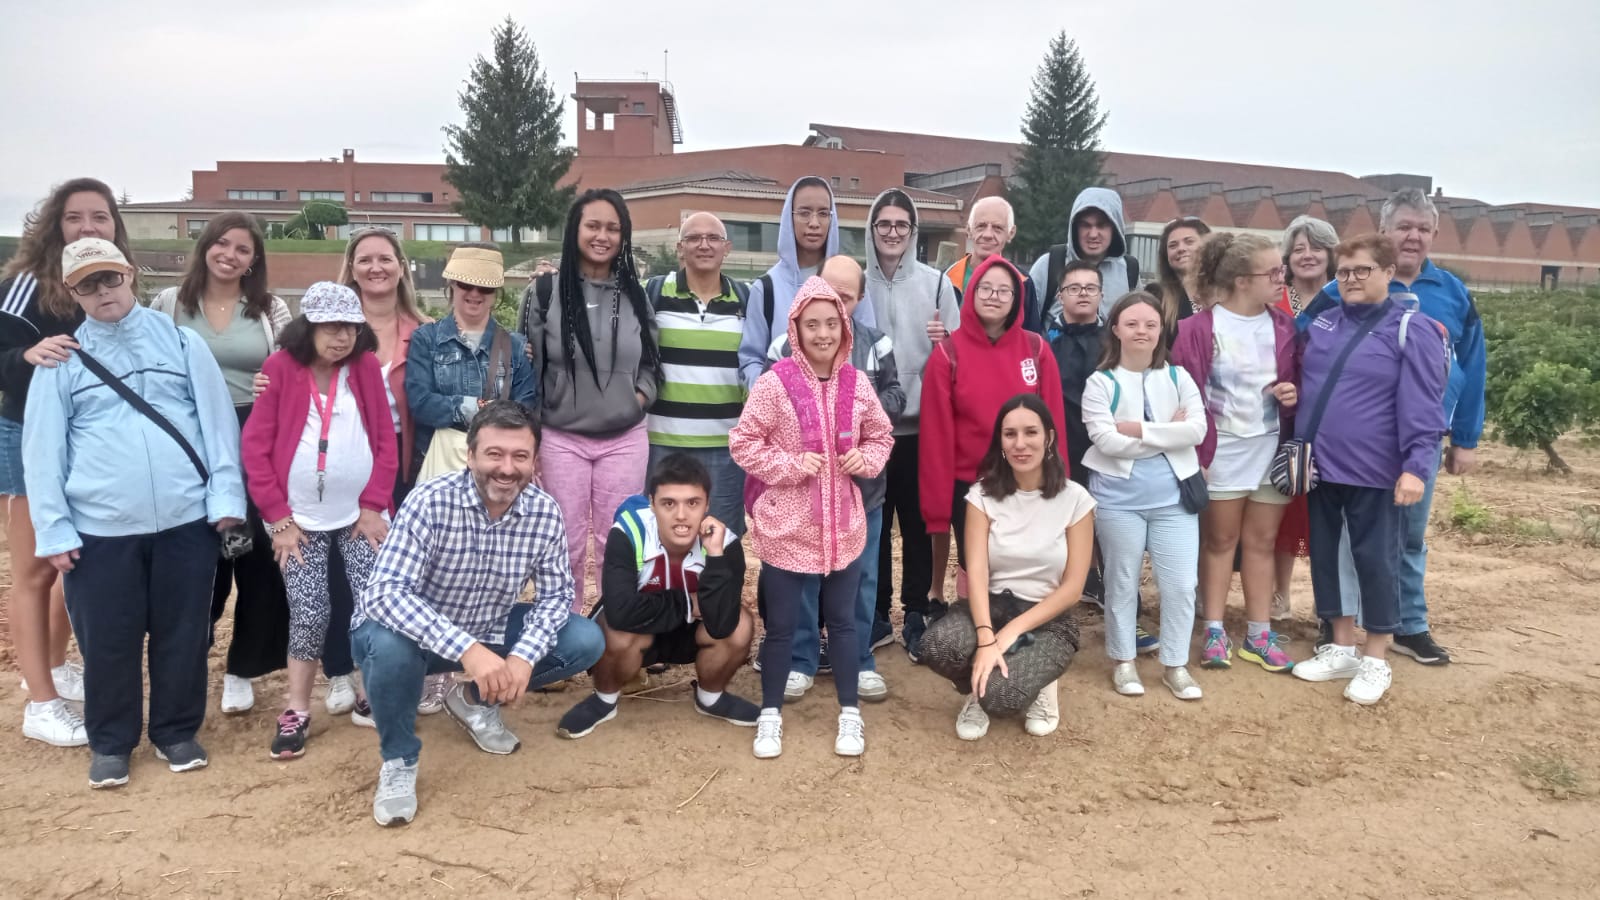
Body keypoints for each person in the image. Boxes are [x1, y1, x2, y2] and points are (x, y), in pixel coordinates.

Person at [25, 238, 246, 789]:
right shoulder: (62, 359)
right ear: (72, 292)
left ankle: (175, 731)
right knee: (108, 639)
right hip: (100, 528)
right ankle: (111, 739)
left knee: (184, 632)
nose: (103, 293)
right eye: (87, 285)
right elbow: (42, 451)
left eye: (110, 279)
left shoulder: (181, 342)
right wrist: (53, 529)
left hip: (185, 520)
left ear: (129, 275)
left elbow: (217, 426)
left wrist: (224, 502)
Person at [349, 401, 605, 826]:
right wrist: (468, 650)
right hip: (410, 636)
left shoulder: (544, 513)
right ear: (470, 456)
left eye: (520, 456)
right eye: (494, 454)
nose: (507, 468)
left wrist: (523, 656)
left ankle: (470, 700)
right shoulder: (429, 501)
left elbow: (557, 597)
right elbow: (384, 594)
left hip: (486, 627)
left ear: (534, 462)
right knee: (387, 648)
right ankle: (399, 759)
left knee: (583, 640)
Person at [1299, 190, 1484, 665]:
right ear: (1385, 233)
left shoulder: (1452, 292)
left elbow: (1472, 364)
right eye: (1404, 226)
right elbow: (1300, 347)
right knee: (1346, 538)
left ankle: (1409, 625)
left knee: (1405, 538)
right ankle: (1338, 628)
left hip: (1415, 439)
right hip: (1349, 444)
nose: (1413, 236)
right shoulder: (1338, 293)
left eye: (1423, 228)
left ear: (1434, 235)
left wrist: (1464, 437)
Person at [729, 277, 895, 760]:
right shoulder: (774, 383)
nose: (822, 333)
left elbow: (881, 436)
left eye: (830, 323)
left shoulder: (858, 383)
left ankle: (849, 713)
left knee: (844, 624)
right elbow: (743, 442)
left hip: (845, 526)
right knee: (781, 627)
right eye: (811, 324)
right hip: (787, 527)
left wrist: (866, 460)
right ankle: (770, 715)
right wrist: (787, 467)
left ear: (844, 326)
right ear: (795, 329)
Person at [0, 179, 131, 746]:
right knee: (32, 570)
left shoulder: (110, 281)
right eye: (75, 217)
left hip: (86, 441)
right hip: (27, 435)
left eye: (99, 217)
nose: (87, 227)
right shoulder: (23, 285)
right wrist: (24, 355)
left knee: (67, 564)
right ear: (55, 225)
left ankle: (54, 667)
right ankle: (41, 703)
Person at [241, 282, 397, 758]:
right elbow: (256, 449)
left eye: (349, 327)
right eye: (330, 327)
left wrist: (374, 504)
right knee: (310, 612)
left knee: (372, 603)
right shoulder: (280, 369)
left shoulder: (365, 368)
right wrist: (278, 518)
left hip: (360, 516)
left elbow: (386, 442)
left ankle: (370, 697)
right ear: (307, 328)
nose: (341, 337)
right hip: (298, 520)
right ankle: (296, 709)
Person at [1290, 234, 1446, 704]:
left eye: (1361, 270)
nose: (1351, 279)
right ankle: (1341, 647)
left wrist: (1416, 467)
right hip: (1322, 467)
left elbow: (1424, 406)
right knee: (1327, 557)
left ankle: (1376, 659)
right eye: (1343, 272)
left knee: (1376, 562)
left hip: (1378, 470)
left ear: (1387, 273)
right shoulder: (1323, 323)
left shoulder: (1411, 329)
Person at [151, 213, 293, 717]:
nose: (230, 255)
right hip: (189, 439)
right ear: (205, 246)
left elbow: (294, 366)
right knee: (198, 555)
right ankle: (191, 654)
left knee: (255, 556)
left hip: (255, 435)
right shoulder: (168, 304)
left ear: (254, 260)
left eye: (243, 249)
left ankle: (242, 668)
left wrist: (273, 382)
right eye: (222, 244)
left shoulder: (269, 309)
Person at [765, 256, 904, 703]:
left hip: (862, 491)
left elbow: (896, 394)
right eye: (828, 289)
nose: (833, 307)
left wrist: (860, 415)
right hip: (801, 496)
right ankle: (802, 660)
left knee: (861, 579)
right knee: (802, 578)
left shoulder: (875, 344)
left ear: (857, 300)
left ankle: (860, 659)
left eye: (845, 295)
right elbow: (765, 413)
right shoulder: (784, 350)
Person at [919, 393, 1093, 739]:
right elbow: (978, 574)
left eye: (1031, 433)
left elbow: (1073, 589)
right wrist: (986, 638)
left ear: (1049, 438)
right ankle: (977, 687)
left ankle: (1040, 686)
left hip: (1046, 619)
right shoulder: (981, 497)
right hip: (992, 606)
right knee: (937, 647)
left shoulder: (1075, 500)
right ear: (999, 441)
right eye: (1009, 434)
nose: (1020, 444)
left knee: (1004, 698)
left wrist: (1011, 632)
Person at [519, 188, 661, 612]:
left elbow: (653, 363)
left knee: (617, 542)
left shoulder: (637, 295)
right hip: (561, 436)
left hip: (624, 435)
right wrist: (532, 436)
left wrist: (637, 398)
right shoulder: (543, 292)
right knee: (565, 544)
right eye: (593, 225)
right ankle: (563, 640)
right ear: (574, 230)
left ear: (624, 235)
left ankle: (617, 641)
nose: (602, 235)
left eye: (612, 228)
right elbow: (526, 367)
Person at [555, 452, 758, 738]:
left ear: (707, 506)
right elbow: (621, 611)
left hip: (687, 632)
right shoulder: (628, 532)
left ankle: (711, 697)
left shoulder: (724, 543)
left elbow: (722, 624)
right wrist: (690, 603)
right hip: (639, 632)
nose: (681, 515)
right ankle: (605, 699)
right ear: (652, 504)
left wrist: (715, 558)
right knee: (614, 628)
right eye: (668, 503)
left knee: (741, 625)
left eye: (692, 503)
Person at [1172, 233, 1300, 674]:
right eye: (1273, 273)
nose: (1282, 278)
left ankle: (1259, 635)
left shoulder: (1284, 326)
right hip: (1221, 451)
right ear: (1243, 281)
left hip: (1271, 450)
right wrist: (1196, 457)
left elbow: (1301, 381)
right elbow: (1183, 396)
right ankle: (1213, 629)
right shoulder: (1197, 329)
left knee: (1262, 543)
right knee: (1221, 542)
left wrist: (1292, 394)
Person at [920, 255, 1067, 612]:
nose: (995, 296)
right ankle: (978, 628)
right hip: (971, 484)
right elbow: (936, 436)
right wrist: (937, 507)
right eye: (986, 288)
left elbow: (1053, 422)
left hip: (1026, 480)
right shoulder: (948, 353)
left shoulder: (1036, 348)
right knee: (978, 561)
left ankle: (1022, 625)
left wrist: (1057, 480)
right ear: (971, 292)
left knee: (1022, 559)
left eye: (1005, 290)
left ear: (1017, 298)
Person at [1081, 293, 1208, 699]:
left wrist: (1136, 429)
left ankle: (1175, 664)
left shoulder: (1178, 377)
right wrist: (1166, 434)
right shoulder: (1100, 382)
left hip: (1174, 501)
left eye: (1150, 325)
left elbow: (1197, 432)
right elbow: (1105, 441)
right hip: (1119, 500)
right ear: (1115, 329)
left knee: (1180, 585)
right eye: (1132, 323)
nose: (1141, 331)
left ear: (1160, 332)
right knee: (1120, 582)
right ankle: (1123, 661)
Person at [865, 189, 960, 660]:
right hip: (872, 427)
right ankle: (878, 612)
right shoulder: (857, 282)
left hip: (923, 427)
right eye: (884, 224)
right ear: (871, 228)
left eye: (901, 225)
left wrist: (944, 343)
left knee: (920, 524)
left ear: (913, 230)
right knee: (876, 525)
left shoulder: (937, 283)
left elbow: (958, 352)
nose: (892, 233)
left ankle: (917, 609)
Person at [643, 212, 750, 534]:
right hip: (662, 441)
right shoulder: (653, 293)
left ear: (727, 247)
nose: (704, 245)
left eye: (713, 238)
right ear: (679, 248)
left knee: (721, 541)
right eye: (693, 238)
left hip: (725, 445)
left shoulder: (748, 299)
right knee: (664, 540)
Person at [407, 244, 537, 483]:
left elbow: (526, 409)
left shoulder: (516, 346)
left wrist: (463, 409)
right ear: (452, 286)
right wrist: (484, 408)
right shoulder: (426, 339)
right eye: (466, 285)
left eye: (485, 287)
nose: (475, 294)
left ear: (496, 292)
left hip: (499, 467)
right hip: (440, 462)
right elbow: (421, 403)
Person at [738, 176, 877, 392]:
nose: (814, 223)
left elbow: (869, 352)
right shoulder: (766, 288)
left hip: (841, 417)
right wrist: (772, 398)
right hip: (784, 418)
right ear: (789, 217)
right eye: (804, 213)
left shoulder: (849, 281)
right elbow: (751, 359)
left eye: (823, 213)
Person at [1270, 215, 1338, 620]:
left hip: (1331, 419)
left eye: (1316, 247)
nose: (1307, 255)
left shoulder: (1343, 297)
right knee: (1284, 506)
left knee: (1327, 512)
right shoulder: (1275, 298)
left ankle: (1327, 600)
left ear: (1331, 254)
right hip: (1282, 419)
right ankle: (1279, 595)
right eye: (1298, 248)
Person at [1029, 187, 1139, 325]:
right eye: (1085, 226)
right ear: (1075, 228)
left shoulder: (1129, 271)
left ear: (1115, 229)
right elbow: (1025, 321)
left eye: (1101, 226)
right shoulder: (1049, 264)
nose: (1093, 234)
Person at [943, 196, 1042, 333]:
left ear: (1011, 233)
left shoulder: (1022, 282)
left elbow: (1032, 341)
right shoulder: (946, 279)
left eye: (997, 228)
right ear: (969, 230)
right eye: (981, 226)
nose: (988, 234)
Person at [1151, 216, 1211, 327]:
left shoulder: (1226, 294)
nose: (1181, 249)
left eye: (1189, 242)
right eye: (1173, 245)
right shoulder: (1156, 295)